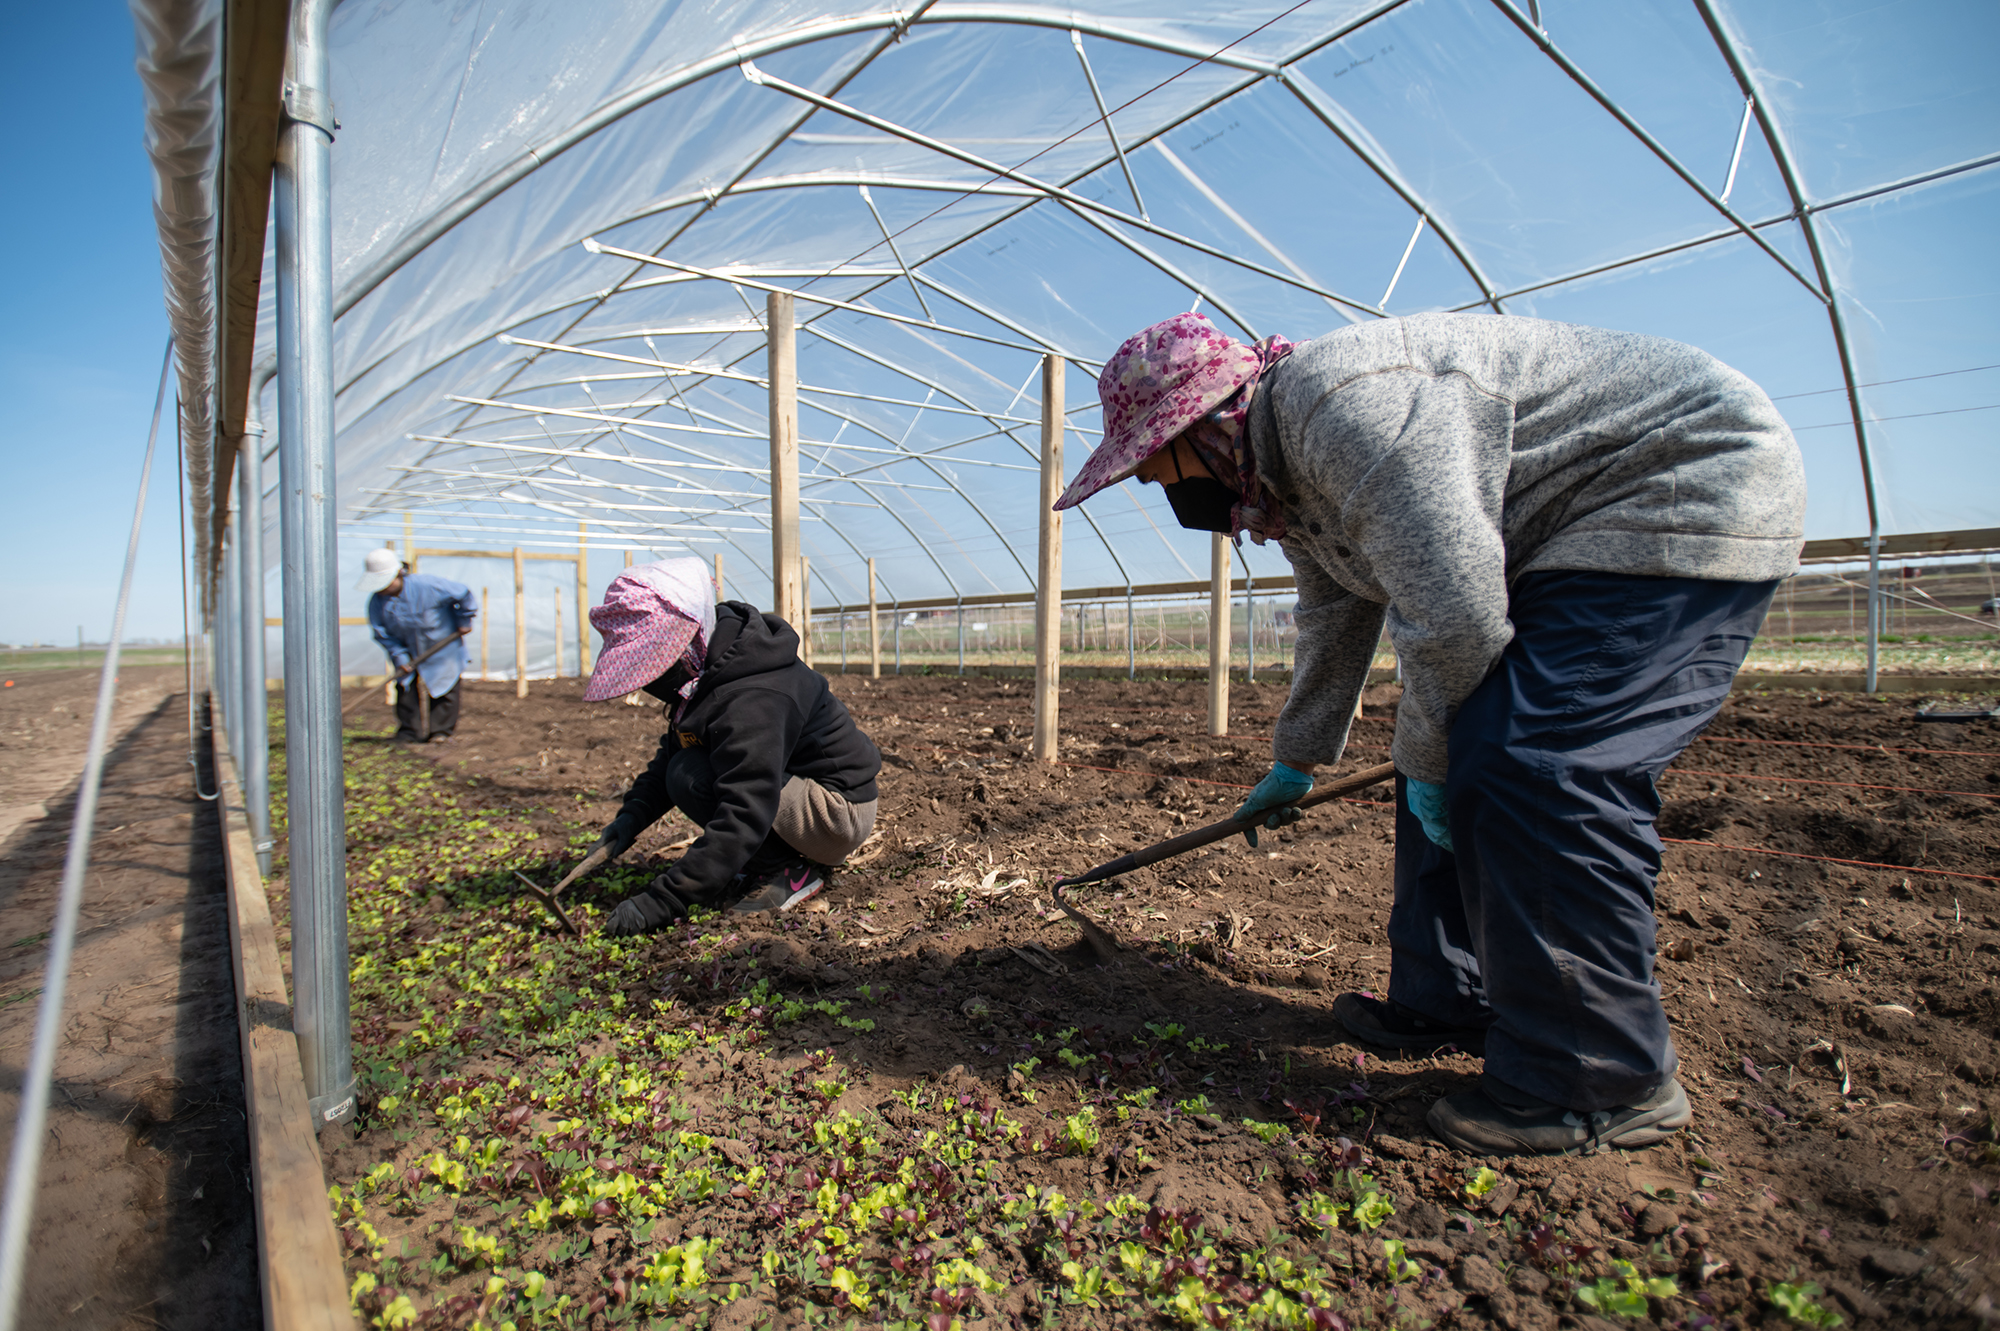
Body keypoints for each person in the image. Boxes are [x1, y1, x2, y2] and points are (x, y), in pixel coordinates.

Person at [1055, 312, 1805, 1156]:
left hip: (1675, 486)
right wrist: (1297, 758)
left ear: (1204, 422)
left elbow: (1453, 622)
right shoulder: (1277, 468)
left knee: (1535, 761)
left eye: (1154, 465)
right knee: (1447, 745)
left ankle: (1601, 1077)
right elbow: (1337, 605)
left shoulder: (1344, 411)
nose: (1157, 485)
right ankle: (1446, 995)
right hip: (1563, 530)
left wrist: (1432, 763)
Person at [578, 558, 881, 932]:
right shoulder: (705, 670)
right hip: (794, 792)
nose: (650, 679)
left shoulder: (754, 695)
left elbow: (745, 807)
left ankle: (785, 873)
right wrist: (629, 820)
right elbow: (672, 753)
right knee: (683, 767)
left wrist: (661, 901)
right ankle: (763, 858)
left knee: (691, 774)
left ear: (689, 637)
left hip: (838, 812)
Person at [357, 547, 478, 742]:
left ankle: (440, 732)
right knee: (404, 686)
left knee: (444, 686)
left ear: (398, 575)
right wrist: (400, 656)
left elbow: (463, 594)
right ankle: (408, 732)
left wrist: (464, 620)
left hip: (441, 645)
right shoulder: (376, 603)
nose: (382, 589)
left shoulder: (428, 586)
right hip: (406, 649)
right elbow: (382, 633)